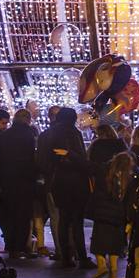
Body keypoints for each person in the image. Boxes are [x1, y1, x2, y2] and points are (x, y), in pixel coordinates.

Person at [44, 106, 92, 268]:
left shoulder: (48, 134)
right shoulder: (73, 133)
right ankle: (81, 256)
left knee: (63, 219)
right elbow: (80, 159)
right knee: (76, 220)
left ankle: (65, 255)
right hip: (75, 181)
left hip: (57, 181)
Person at [0, 109, 37, 258]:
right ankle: (21, 246)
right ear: (28, 120)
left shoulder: (4, 136)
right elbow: (32, 158)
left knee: (8, 214)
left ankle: (11, 245)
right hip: (24, 180)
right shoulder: (29, 135)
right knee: (23, 215)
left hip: (6, 180)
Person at [88, 151, 131, 278]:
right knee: (115, 244)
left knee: (98, 242)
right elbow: (129, 199)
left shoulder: (104, 172)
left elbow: (87, 165)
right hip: (118, 215)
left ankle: (101, 266)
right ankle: (113, 272)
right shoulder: (128, 178)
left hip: (102, 212)